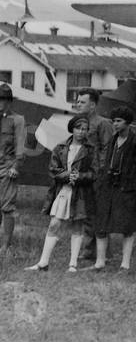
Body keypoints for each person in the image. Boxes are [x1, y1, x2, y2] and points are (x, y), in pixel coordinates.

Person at [25, 115, 95, 272]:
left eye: (84, 129)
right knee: (54, 224)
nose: (81, 132)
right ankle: (43, 263)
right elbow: (53, 170)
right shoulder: (60, 147)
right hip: (64, 190)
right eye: (78, 128)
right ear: (72, 129)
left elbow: (95, 173)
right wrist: (67, 176)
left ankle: (73, 264)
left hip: (80, 192)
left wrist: (81, 177)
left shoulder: (90, 150)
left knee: (77, 225)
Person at [93, 106, 136, 270]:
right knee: (101, 223)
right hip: (108, 187)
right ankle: (100, 262)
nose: (115, 124)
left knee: (127, 227)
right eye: (113, 121)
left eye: (119, 121)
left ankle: (125, 264)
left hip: (127, 189)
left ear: (128, 123)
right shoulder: (112, 140)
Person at [73, 87, 113, 260]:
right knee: (87, 212)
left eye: (82, 102)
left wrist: (101, 173)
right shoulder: (79, 124)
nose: (78, 104)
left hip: (98, 176)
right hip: (84, 175)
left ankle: (105, 252)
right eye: (78, 101)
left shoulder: (103, 123)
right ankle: (89, 249)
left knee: (100, 213)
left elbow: (107, 149)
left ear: (93, 105)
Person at [0, 83, 26, 255]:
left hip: (8, 166)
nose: (1, 103)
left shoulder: (18, 120)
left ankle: (5, 247)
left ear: (10, 102)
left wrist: (16, 166)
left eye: (4, 100)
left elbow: (21, 147)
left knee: (7, 207)